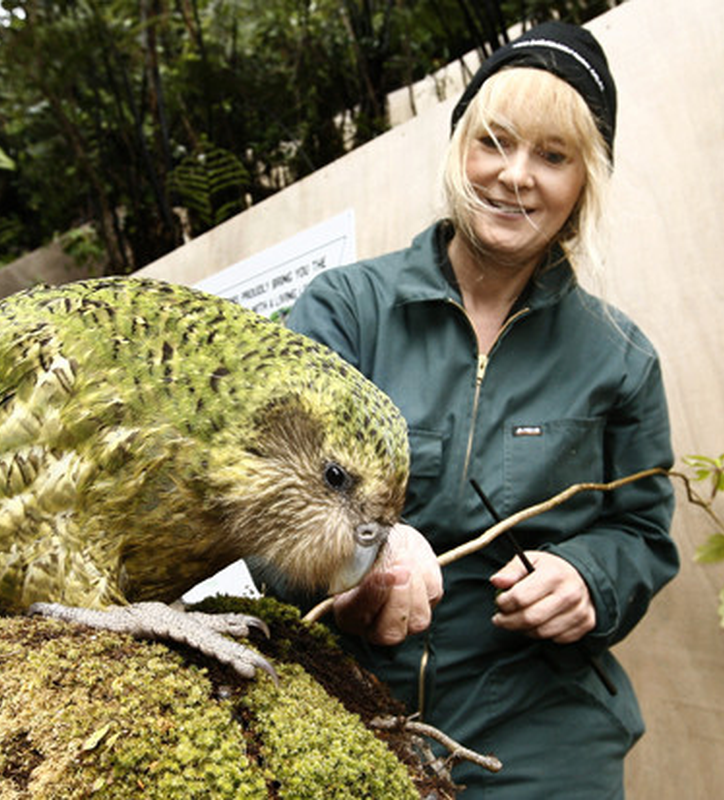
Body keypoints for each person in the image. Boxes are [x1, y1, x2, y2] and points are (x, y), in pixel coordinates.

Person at [284, 21, 680, 797]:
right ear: (460, 149)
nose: (516, 176)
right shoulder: (346, 312)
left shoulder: (619, 358)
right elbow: (265, 491)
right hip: (347, 704)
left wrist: (589, 577)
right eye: (494, 142)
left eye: (553, 156)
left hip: (542, 720)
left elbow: (642, 530)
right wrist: (361, 551)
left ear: (583, 184)